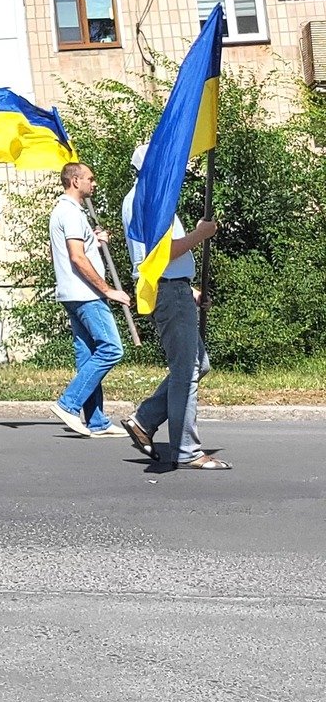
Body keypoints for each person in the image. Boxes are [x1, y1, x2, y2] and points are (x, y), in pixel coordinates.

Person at [120, 143, 226, 470]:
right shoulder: (148, 201)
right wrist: (200, 234)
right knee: (186, 371)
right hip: (167, 291)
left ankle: (144, 419)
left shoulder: (149, 199)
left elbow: (156, 262)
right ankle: (187, 450)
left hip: (171, 289)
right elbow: (161, 254)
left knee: (197, 365)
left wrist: (188, 289)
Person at [48, 161, 132, 439]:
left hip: (72, 293)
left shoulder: (64, 212)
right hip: (86, 294)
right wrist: (108, 290)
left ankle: (96, 421)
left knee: (87, 356)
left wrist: (94, 240)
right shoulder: (71, 213)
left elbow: (68, 250)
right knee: (112, 349)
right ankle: (68, 404)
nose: (94, 184)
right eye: (90, 179)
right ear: (75, 181)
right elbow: (77, 257)